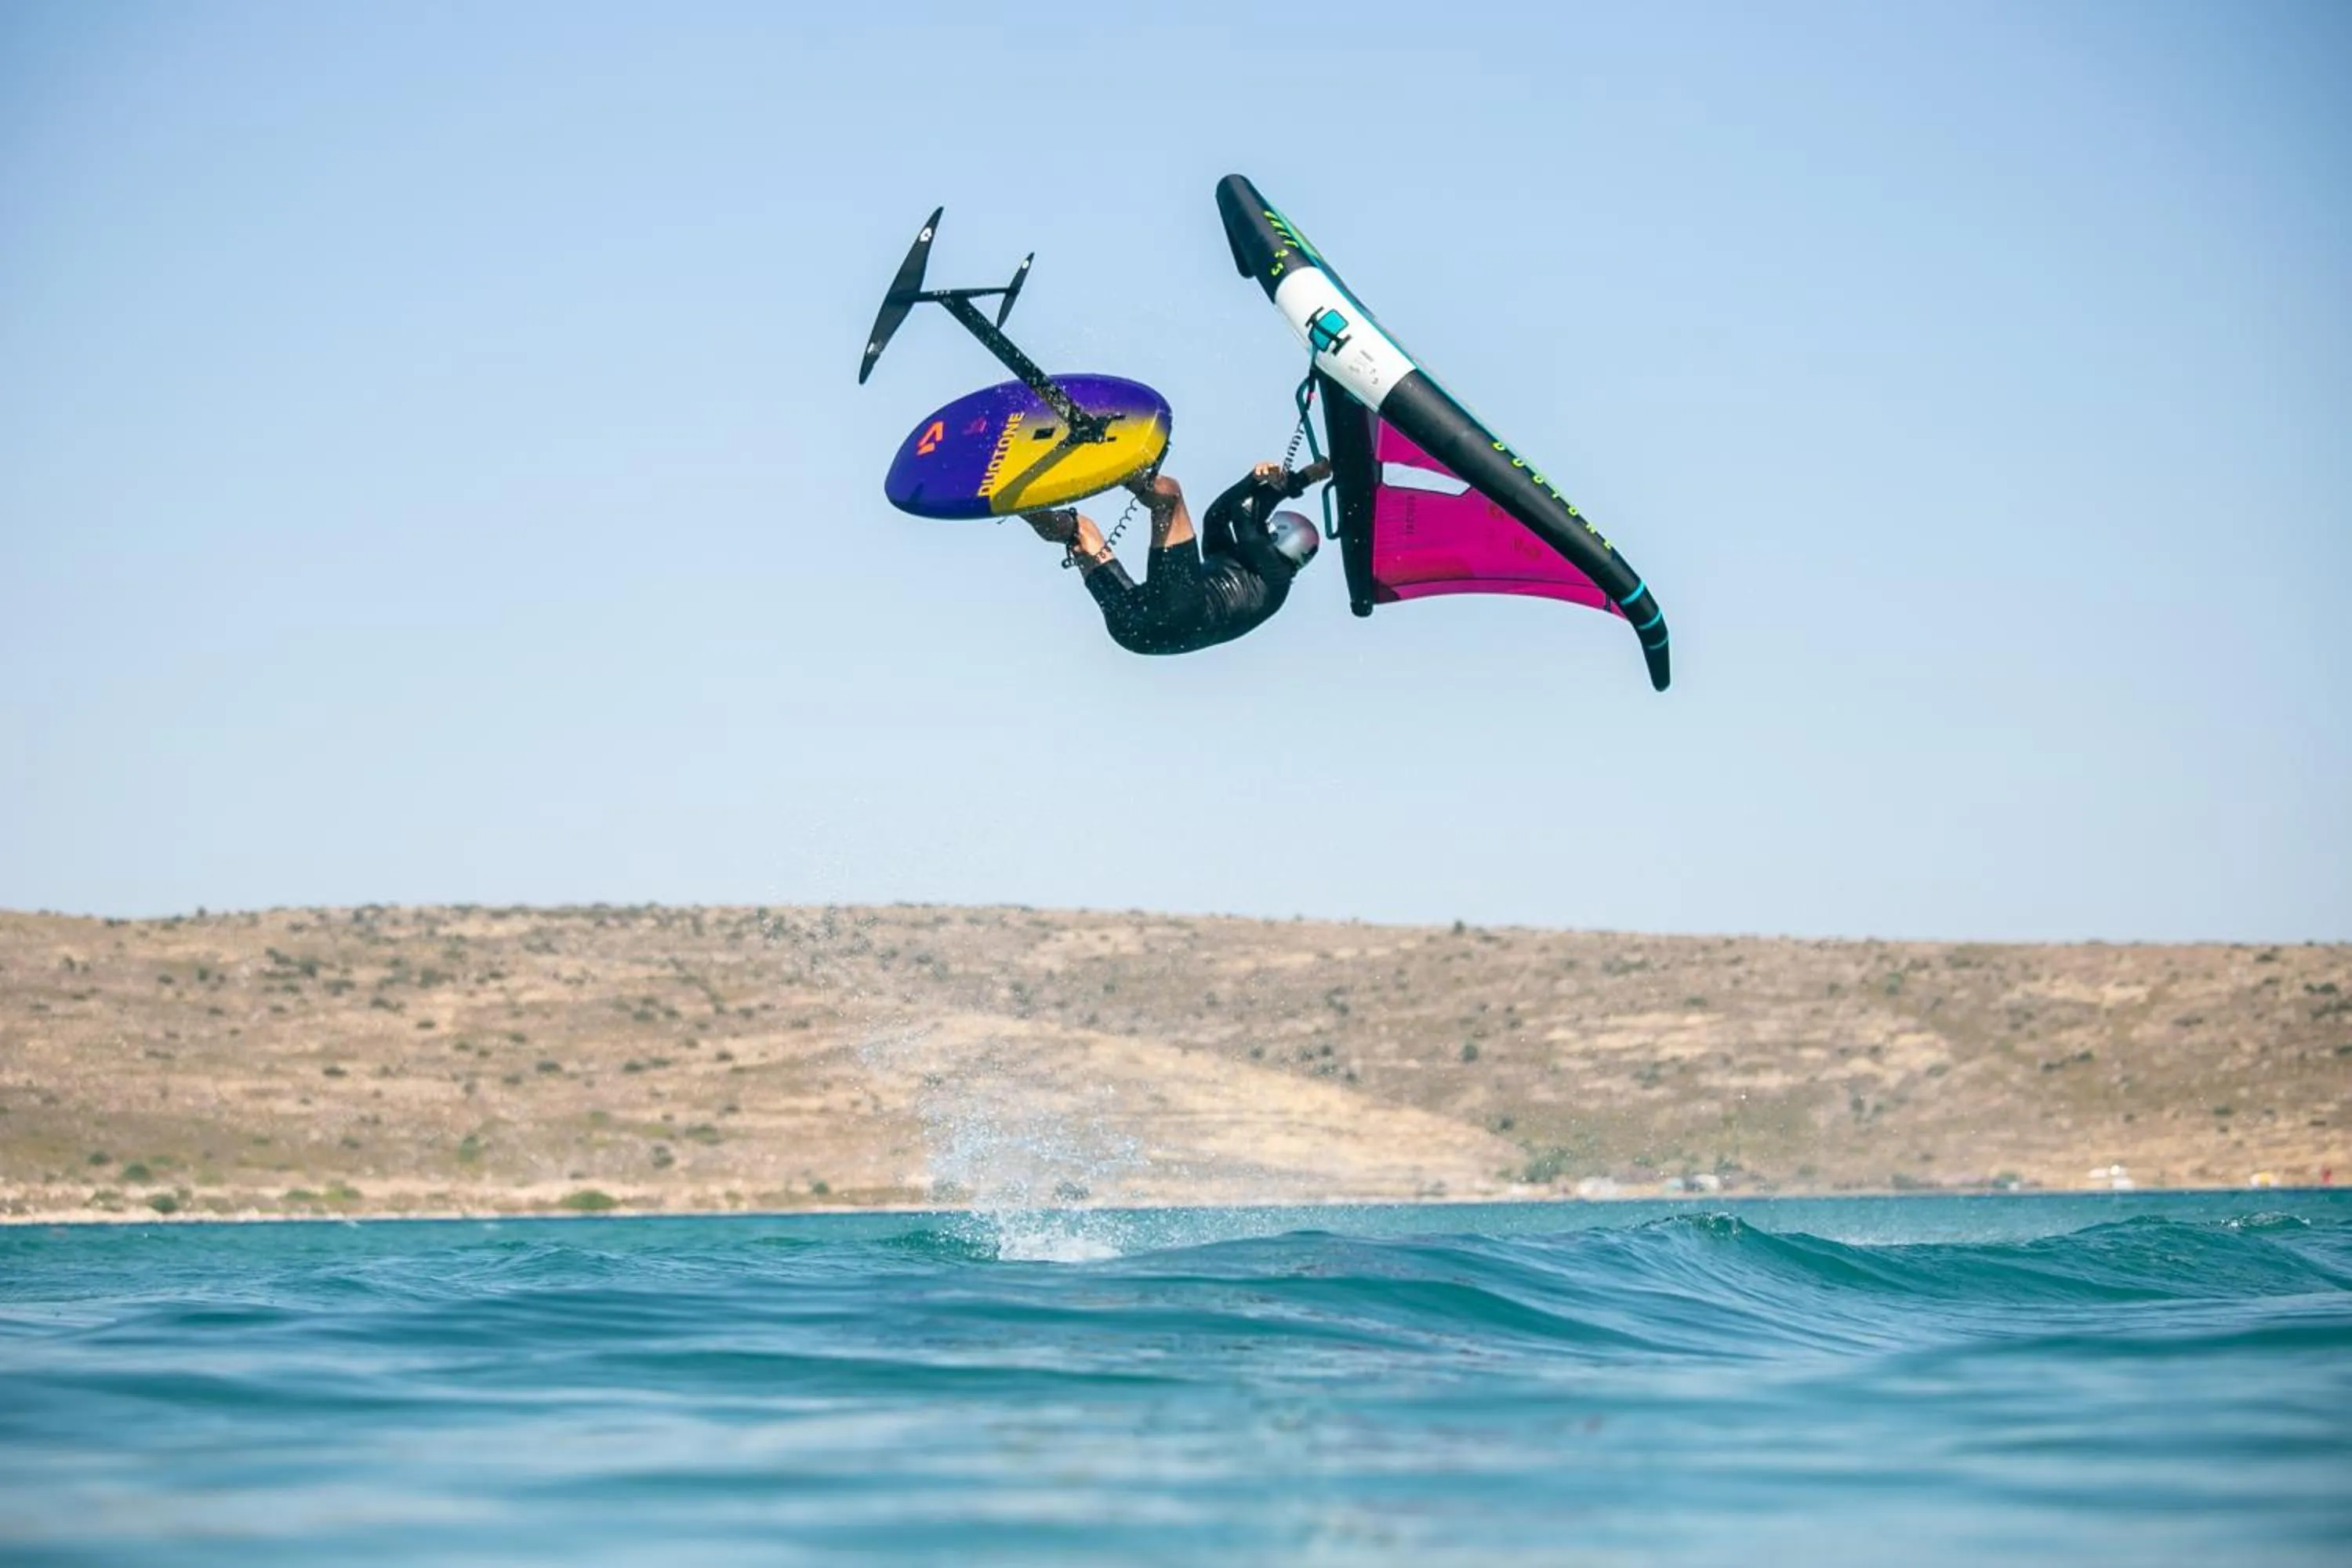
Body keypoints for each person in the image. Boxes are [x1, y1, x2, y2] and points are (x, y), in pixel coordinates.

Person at [1023, 458, 1330, 655]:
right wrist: (1296, 480)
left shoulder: (1275, 576)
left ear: (1281, 536)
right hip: (1135, 632)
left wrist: (1262, 481)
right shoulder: (1246, 565)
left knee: (1169, 497)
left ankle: (1112, 456)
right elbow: (1218, 515)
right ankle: (1018, 499)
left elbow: (1245, 511)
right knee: (1081, 532)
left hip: (1184, 611)